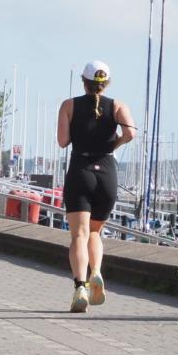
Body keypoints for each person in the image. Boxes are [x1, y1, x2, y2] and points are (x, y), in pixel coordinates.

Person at [57, 61, 136, 313]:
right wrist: (115, 144)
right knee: (95, 233)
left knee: (78, 235)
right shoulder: (118, 106)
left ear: (84, 81)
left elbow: (62, 141)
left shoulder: (69, 105)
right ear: (106, 83)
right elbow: (131, 133)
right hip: (107, 174)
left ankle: (80, 286)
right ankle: (97, 272)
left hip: (81, 170)